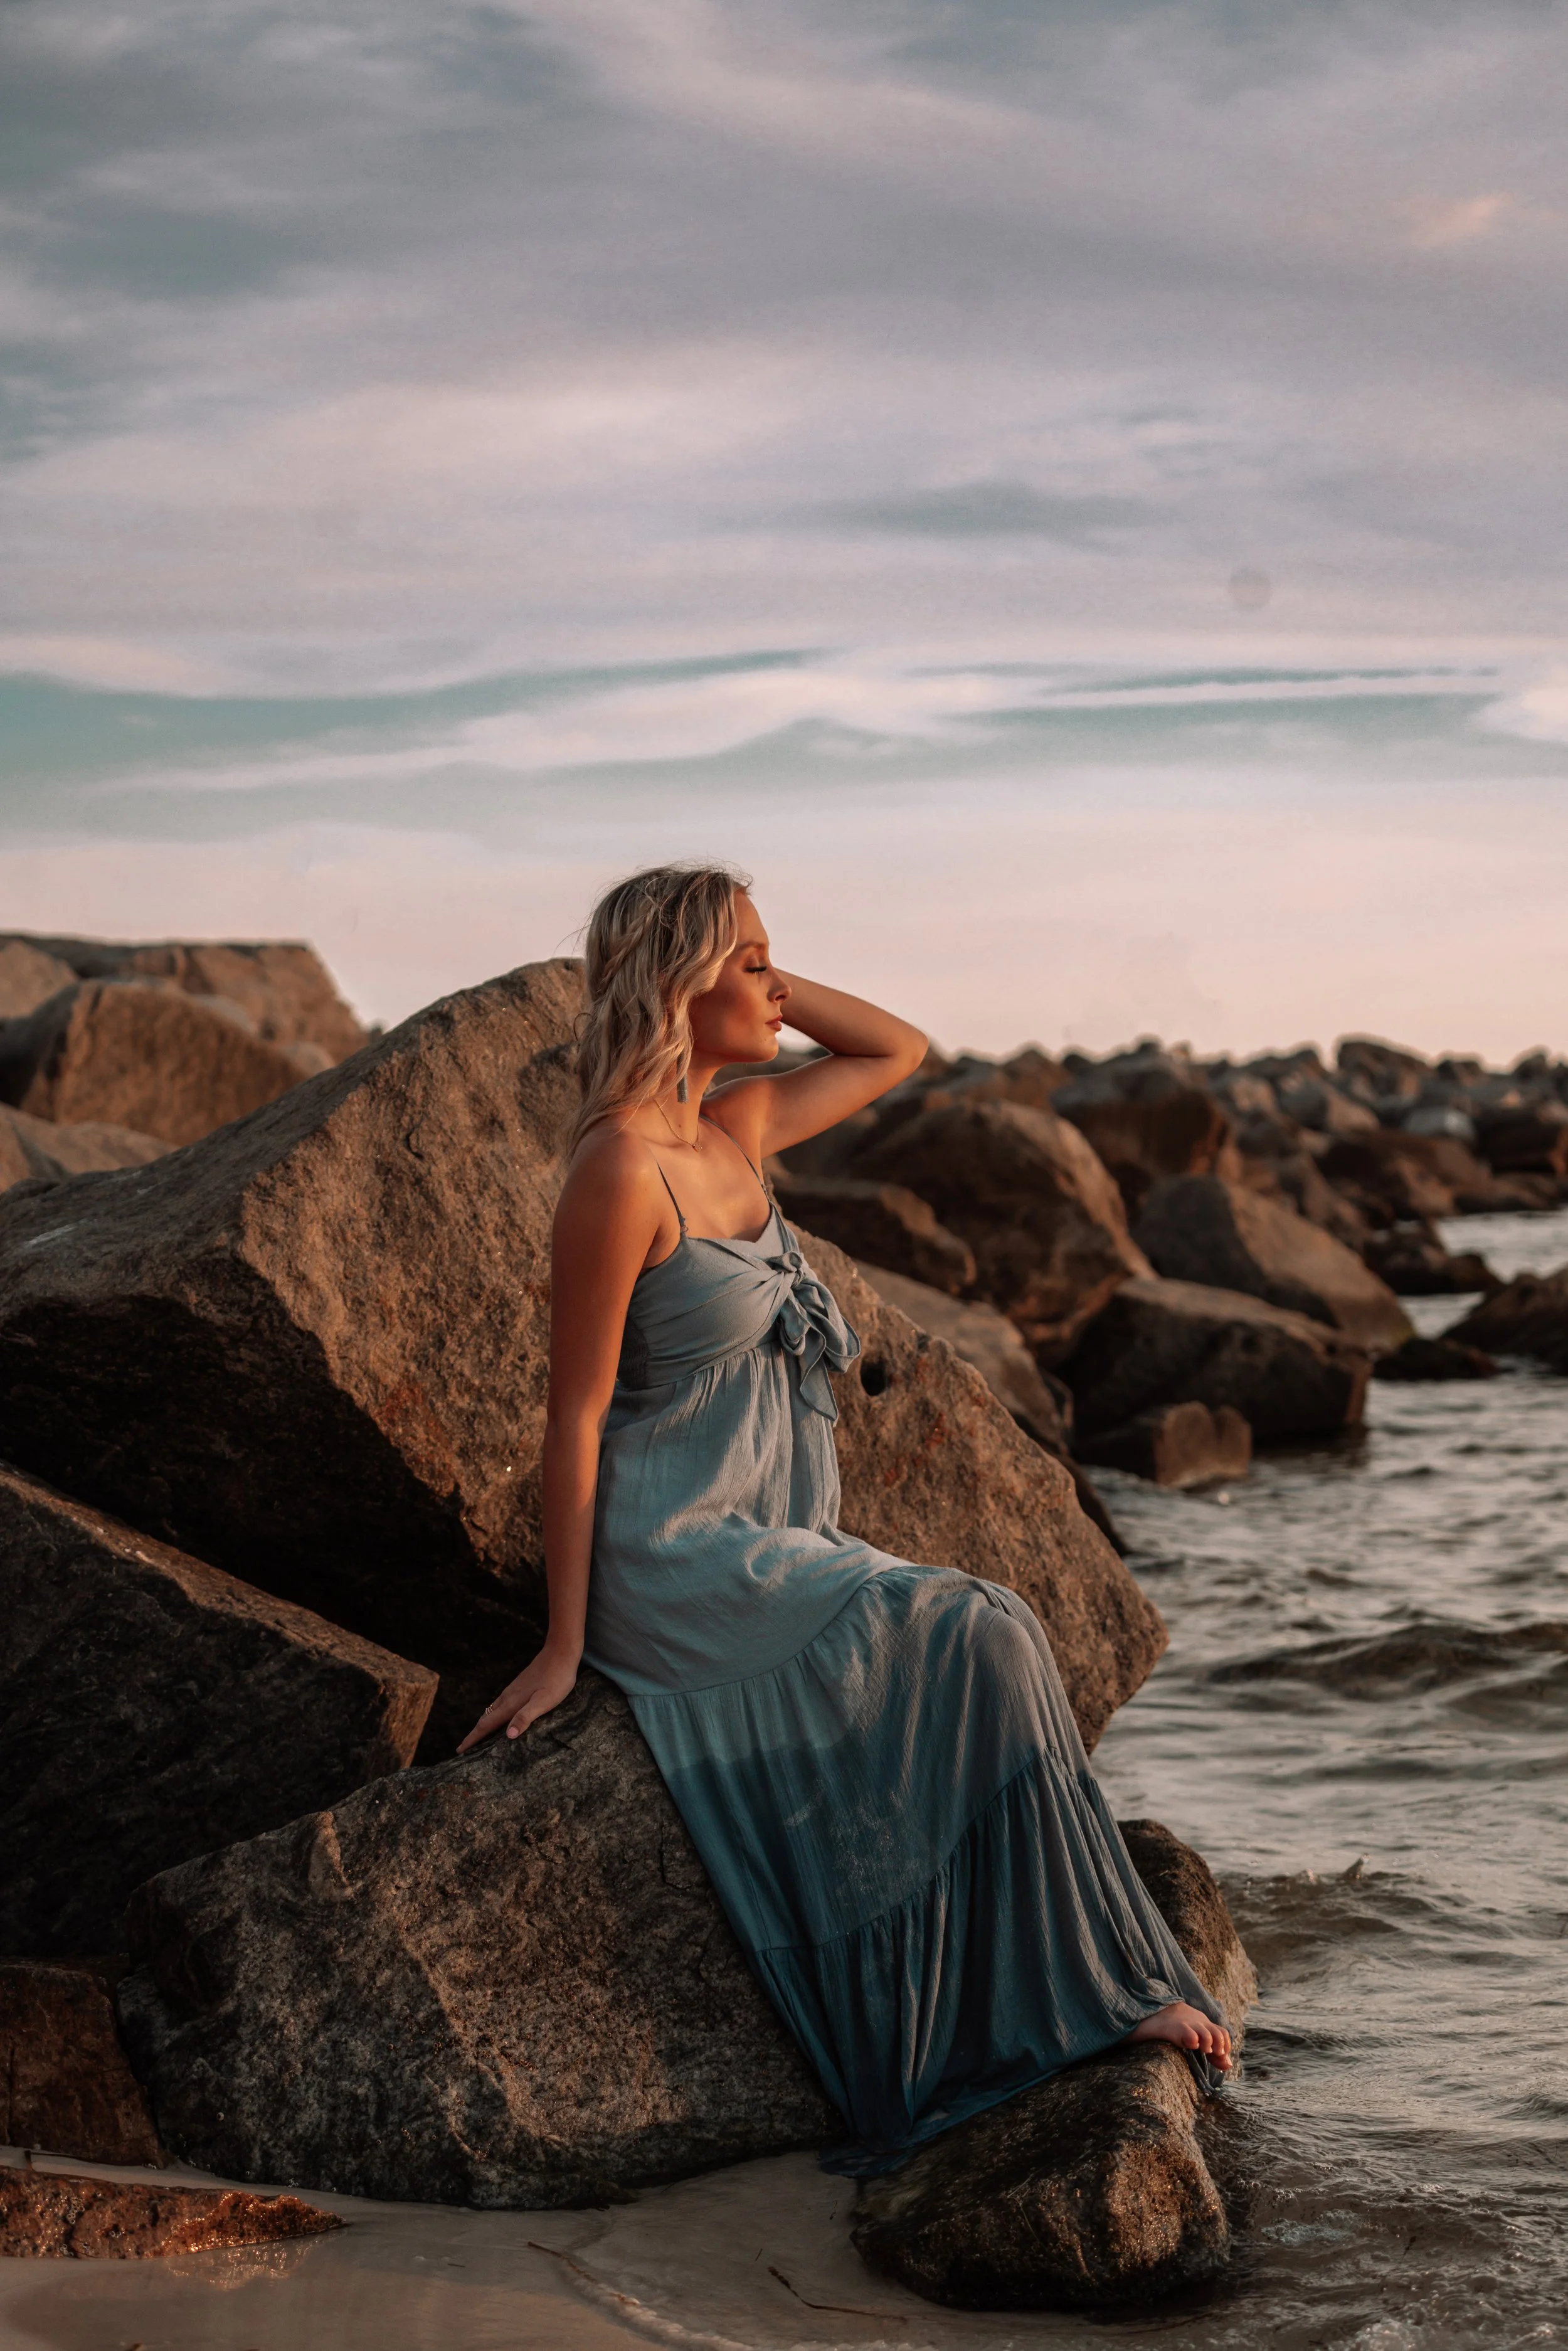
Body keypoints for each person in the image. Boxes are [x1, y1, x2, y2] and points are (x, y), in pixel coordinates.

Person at [460, 862, 1231, 2174]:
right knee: (981, 1625)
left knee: (990, 1632)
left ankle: (1080, 1981)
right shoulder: (616, 1173)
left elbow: (896, 1047)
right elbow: (572, 1416)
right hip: (678, 1552)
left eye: (775, 959)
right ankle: (1078, 1994)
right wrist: (562, 1642)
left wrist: (755, 982)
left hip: (776, 1538)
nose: (775, 984)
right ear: (676, 979)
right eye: (748, 961)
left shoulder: (736, 1128)